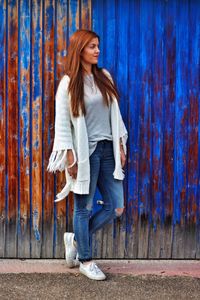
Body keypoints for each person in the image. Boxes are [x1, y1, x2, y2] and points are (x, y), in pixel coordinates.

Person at [47, 29, 128, 280]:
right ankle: (85, 259)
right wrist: (70, 156)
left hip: (108, 150)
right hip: (86, 152)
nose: (97, 50)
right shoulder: (68, 83)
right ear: (79, 49)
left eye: (98, 45)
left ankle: (75, 240)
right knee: (84, 207)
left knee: (116, 207)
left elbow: (116, 114)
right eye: (92, 46)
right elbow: (63, 123)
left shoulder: (104, 76)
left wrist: (121, 146)